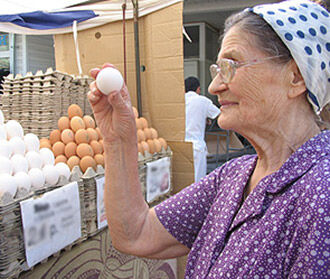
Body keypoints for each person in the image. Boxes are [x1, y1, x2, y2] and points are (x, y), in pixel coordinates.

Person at [87, 0, 329, 277]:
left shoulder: (321, 194)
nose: (214, 86)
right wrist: (118, 140)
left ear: (296, 77)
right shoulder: (233, 177)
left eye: (232, 65)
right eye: (217, 70)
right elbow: (136, 233)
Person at [184, 76, 220, 182]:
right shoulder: (203, 101)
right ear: (198, 89)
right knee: (197, 183)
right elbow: (219, 114)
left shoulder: (178, 102)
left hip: (181, 146)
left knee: (183, 183)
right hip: (196, 147)